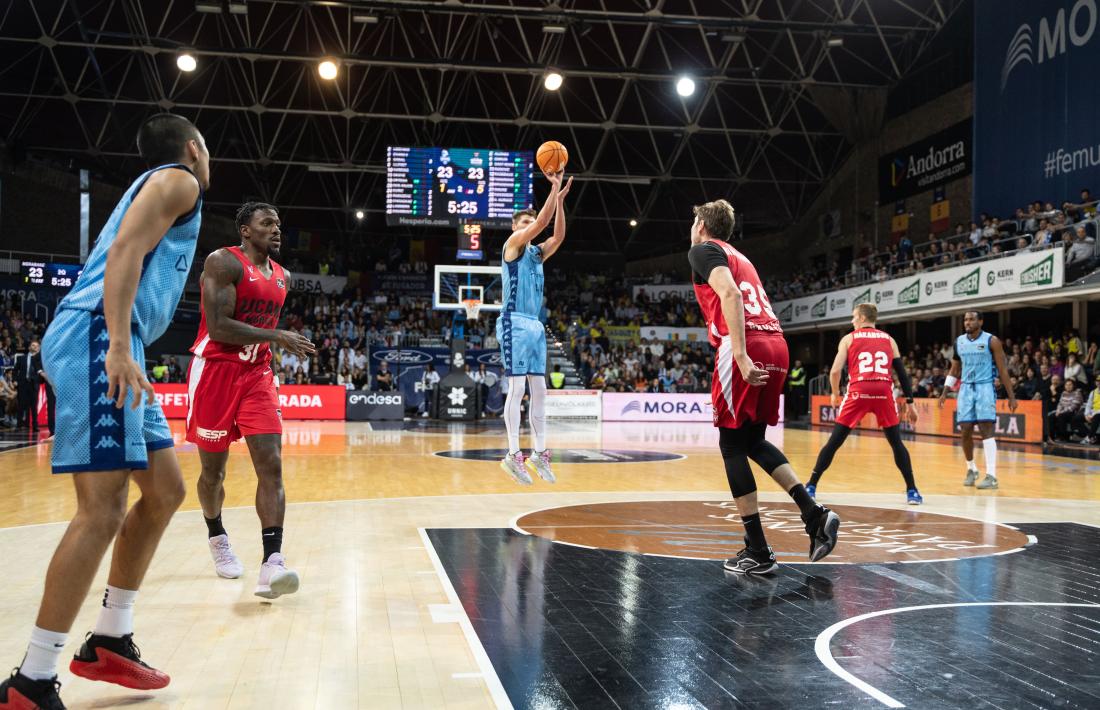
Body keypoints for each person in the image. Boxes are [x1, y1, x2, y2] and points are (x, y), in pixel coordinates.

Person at [0, 113, 209, 709]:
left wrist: (126, 342)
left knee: (165, 489)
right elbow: (124, 252)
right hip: (100, 334)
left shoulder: (161, 188)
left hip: (120, 339)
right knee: (103, 507)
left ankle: (110, 639)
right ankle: (31, 681)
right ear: (194, 149)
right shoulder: (180, 181)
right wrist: (117, 344)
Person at [687, 198, 839, 575]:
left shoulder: (703, 250)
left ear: (703, 226)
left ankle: (757, 549)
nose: (691, 230)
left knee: (730, 444)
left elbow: (731, 295)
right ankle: (814, 514)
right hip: (777, 344)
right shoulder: (743, 257)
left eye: (693, 223)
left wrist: (738, 354)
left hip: (747, 343)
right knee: (752, 441)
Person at [187, 202, 315, 598]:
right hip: (215, 372)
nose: (276, 229)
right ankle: (217, 535)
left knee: (272, 465)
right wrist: (278, 336)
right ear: (245, 229)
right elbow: (221, 327)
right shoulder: (223, 262)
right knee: (214, 473)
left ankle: (272, 563)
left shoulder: (283, 276)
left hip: (257, 374)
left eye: (278, 223)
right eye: (267, 223)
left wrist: (272, 341)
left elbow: (258, 328)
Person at [497, 169, 572, 485]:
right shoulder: (512, 245)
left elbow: (557, 236)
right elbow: (542, 224)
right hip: (514, 322)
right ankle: (513, 455)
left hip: (536, 326)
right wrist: (553, 190)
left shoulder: (538, 255)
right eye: (524, 223)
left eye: (530, 223)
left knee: (540, 391)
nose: (530, 227)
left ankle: (540, 454)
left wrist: (561, 201)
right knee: (517, 389)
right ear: (516, 227)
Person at [806, 304, 922, 505]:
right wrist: (910, 403)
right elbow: (902, 374)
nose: (852, 321)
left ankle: (811, 485)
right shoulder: (889, 339)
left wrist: (834, 393)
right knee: (896, 443)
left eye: (853, 317)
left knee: (834, 442)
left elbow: (834, 372)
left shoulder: (849, 338)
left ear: (860, 317)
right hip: (883, 391)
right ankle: (912, 491)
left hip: (859, 390)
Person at [939, 311, 1017, 489]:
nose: (967, 322)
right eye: (965, 319)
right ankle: (971, 468)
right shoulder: (959, 342)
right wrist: (945, 391)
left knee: (985, 428)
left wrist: (1011, 396)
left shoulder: (992, 341)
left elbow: (1003, 370)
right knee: (965, 430)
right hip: (965, 388)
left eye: (971, 319)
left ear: (980, 321)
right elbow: (954, 369)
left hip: (985, 387)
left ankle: (992, 476)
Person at [12, 340, 41, 432]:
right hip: (23, 384)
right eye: (33, 345)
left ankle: (35, 426)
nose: (34, 347)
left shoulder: (39, 359)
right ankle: (19, 425)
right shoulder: (22, 358)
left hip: (34, 385)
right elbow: (15, 370)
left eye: (36, 346)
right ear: (29, 347)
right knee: (21, 405)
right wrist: (15, 380)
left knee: (33, 406)